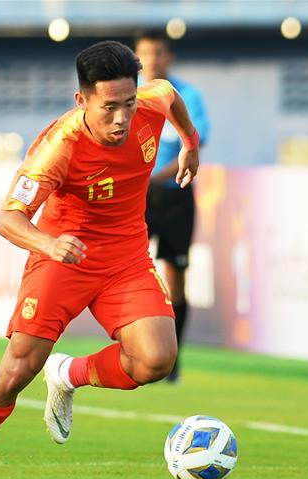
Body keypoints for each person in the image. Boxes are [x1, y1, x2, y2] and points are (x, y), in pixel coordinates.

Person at [0, 40, 200, 479]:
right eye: (109, 108)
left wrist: (190, 143)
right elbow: (8, 219)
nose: (121, 118)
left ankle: (68, 374)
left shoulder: (149, 104)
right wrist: (48, 244)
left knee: (156, 359)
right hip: (63, 255)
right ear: (82, 100)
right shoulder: (59, 147)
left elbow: (169, 93)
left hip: (126, 257)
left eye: (128, 104)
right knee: (18, 370)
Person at [135, 30, 210, 382]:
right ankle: (136, 348)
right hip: (136, 196)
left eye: (159, 52)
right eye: (146, 52)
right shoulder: (126, 95)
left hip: (176, 193)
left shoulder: (186, 96)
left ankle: (172, 359)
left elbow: (194, 142)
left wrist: (153, 177)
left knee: (176, 277)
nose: (153, 59)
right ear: (137, 57)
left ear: (169, 57)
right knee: (129, 270)